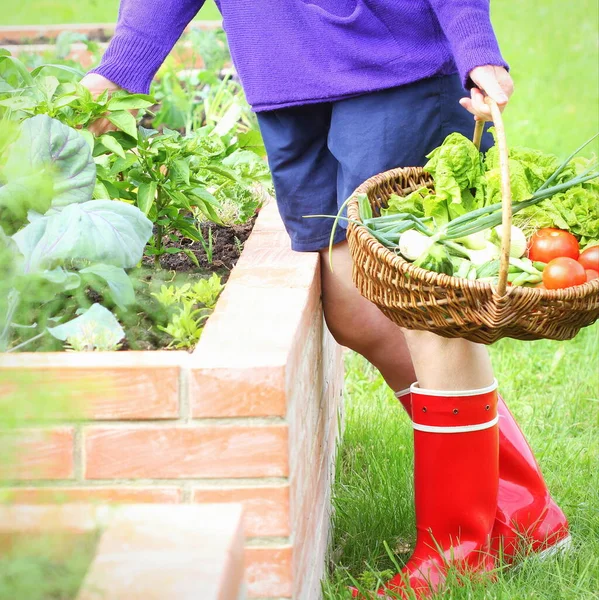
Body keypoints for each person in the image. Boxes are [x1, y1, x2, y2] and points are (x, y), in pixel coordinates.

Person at [82, 2, 570, 596]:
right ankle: (522, 510)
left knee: (424, 311)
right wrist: (121, 68)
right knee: (358, 314)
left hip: (391, 66)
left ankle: (459, 547)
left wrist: (476, 47)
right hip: (283, 80)